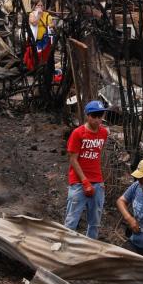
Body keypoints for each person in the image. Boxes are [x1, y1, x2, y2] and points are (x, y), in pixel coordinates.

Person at [64, 101, 109, 239]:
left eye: (100, 116)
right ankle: (65, 246)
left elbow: (97, 156)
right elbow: (73, 159)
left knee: (95, 221)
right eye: (94, 116)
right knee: (72, 220)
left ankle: (90, 249)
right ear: (87, 116)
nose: (97, 120)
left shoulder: (103, 133)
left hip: (97, 181)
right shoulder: (78, 133)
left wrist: (99, 182)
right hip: (78, 182)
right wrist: (84, 181)